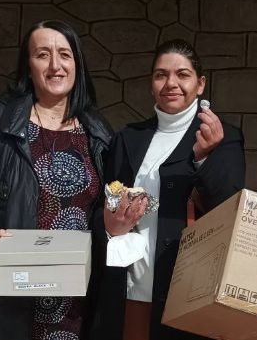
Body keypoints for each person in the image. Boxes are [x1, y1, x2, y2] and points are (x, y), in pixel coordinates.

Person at [0, 20, 113, 340]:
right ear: (28, 67)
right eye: (42, 54)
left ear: (77, 65)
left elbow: (104, 208)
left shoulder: (98, 132)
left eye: (64, 54)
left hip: (74, 302)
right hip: (6, 294)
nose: (55, 65)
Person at [90, 39, 246, 340]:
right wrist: (109, 225)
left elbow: (229, 209)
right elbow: (103, 205)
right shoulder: (128, 138)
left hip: (187, 294)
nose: (171, 83)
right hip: (129, 289)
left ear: (200, 84)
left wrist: (204, 158)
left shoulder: (223, 138)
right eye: (161, 75)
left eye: (182, 74)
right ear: (151, 85)